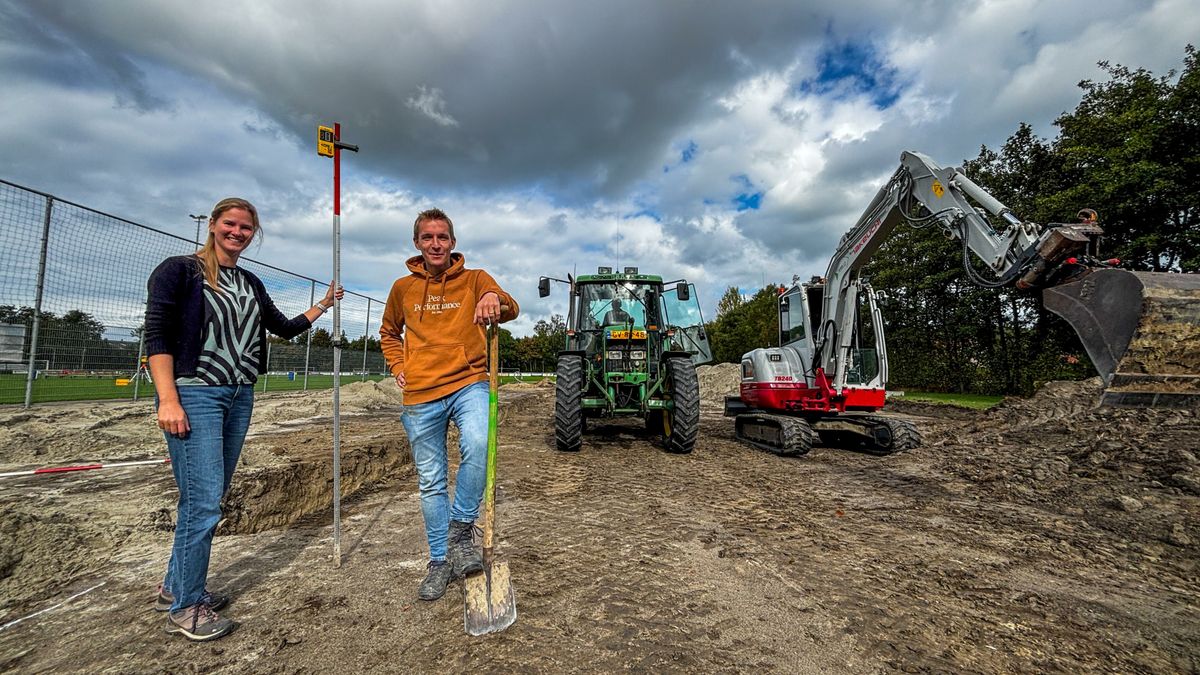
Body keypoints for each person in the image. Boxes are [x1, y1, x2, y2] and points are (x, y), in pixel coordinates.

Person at [145, 197, 343, 641]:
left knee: (206, 496)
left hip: (239, 395)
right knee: (203, 503)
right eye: (230, 224)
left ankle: (175, 586)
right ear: (213, 224)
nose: (237, 232)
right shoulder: (179, 271)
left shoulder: (249, 281)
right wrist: (168, 399)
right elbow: (157, 336)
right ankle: (186, 607)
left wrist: (325, 304)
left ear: (254, 234)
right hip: (194, 394)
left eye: (246, 228)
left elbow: (284, 327)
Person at [379, 208, 519, 601]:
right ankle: (440, 561)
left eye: (442, 237)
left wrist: (492, 297)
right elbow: (388, 332)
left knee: (478, 442)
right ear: (417, 243)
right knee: (431, 481)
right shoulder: (402, 288)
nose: (436, 244)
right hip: (421, 393)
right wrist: (399, 366)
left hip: (468, 381)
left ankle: (459, 531)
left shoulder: (475, 279)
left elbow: (510, 307)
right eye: (428, 237)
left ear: (453, 242)